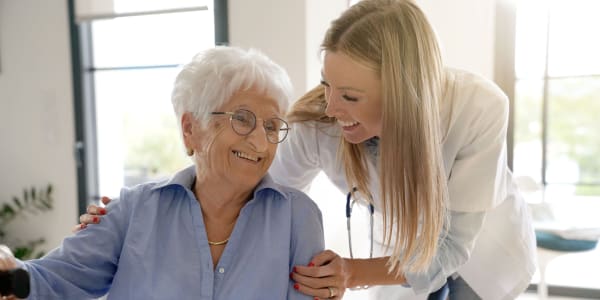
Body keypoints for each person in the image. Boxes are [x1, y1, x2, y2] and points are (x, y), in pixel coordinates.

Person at [78, 0, 538, 299]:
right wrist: (140, 209)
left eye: (351, 97)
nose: (332, 107)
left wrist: (352, 273)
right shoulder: (320, 122)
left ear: (403, 93)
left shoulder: (478, 107)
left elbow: (453, 246)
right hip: (406, 253)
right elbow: (243, 182)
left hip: (483, 255)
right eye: (327, 85)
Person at [0, 46, 325, 299]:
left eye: (271, 126)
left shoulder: (298, 218)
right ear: (190, 129)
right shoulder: (132, 211)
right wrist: (8, 267)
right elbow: (51, 281)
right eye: (242, 119)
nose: (259, 141)